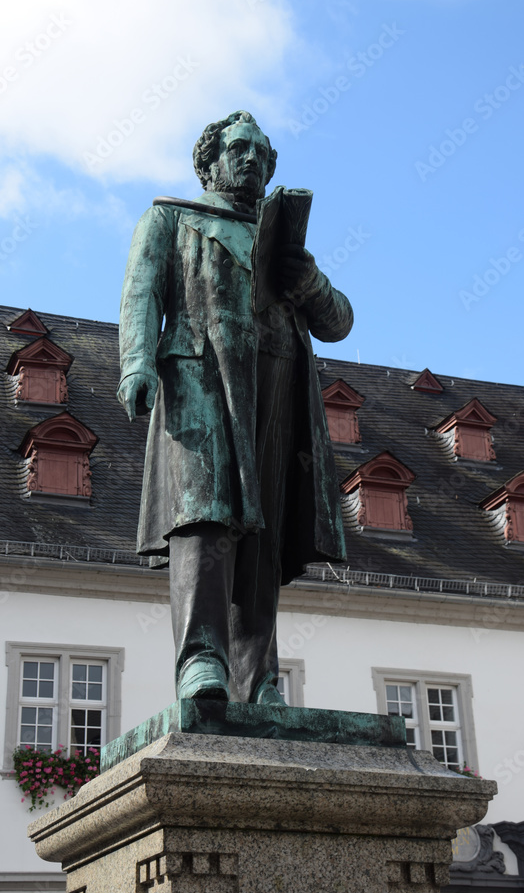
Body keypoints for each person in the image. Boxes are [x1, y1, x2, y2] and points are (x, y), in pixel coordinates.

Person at [118, 111, 353, 704]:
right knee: (205, 513)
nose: (250, 159)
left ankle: (259, 679)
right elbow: (142, 290)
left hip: (276, 380)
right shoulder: (171, 218)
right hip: (199, 373)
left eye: (260, 152)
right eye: (238, 148)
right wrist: (136, 363)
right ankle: (202, 662)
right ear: (212, 161)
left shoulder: (281, 241)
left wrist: (311, 284)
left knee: (264, 530)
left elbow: (340, 323)